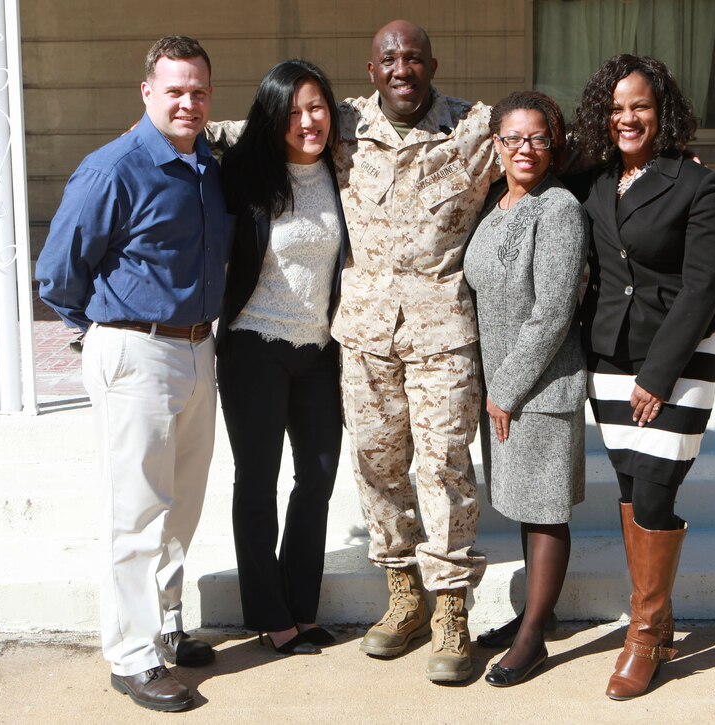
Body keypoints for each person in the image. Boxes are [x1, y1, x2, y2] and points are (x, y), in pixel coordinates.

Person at [207, 18, 501, 682]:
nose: (402, 68)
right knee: (377, 466)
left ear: (433, 63)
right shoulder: (342, 125)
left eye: (415, 58)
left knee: (446, 464)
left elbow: (545, 140)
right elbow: (251, 129)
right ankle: (405, 599)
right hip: (364, 337)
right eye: (389, 59)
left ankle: (451, 608)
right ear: (372, 71)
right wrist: (170, 137)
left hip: (442, 333)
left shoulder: (475, 128)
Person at [36, 36, 235, 713]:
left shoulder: (205, 162)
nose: (188, 100)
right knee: (136, 508)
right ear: (146, 92)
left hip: (198, 348)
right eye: (175, 89)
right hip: (136, 349)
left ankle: (166, 624)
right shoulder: (112, 168)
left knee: (182, 502)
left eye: (199, 90)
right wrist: (97, 331)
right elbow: (59, 270)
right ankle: (131, 655)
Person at [562, 54, 715, 700]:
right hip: (608, 355)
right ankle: (657, 624)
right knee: (632, 489)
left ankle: (644, 634)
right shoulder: (597, 181)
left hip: (675, 360)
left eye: (639, 106)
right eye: (616, 108)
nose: (626, 118)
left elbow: (702, 286)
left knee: (656, 490)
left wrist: (659, 376)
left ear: (662, 112)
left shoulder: (698, 186)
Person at [216, 59, 348, 657]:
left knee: (316, 480)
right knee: (258, 482)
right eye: (293, 111)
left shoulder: (344, 172)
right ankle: (271, 614)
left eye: (316, 106)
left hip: (319, 350)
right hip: (254, 348)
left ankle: (302, 606)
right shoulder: (247, 176)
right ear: (274, 118)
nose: (307, 121)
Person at [463, 90, 587, 688]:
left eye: (538, 137)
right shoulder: (495, 205)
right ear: (496, 145)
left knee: (544, 513)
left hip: (539, 387)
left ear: (553, 143)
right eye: (513, 138)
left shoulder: (558, 208)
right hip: (502, 388)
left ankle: (534, 637)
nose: (525, 149)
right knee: (523, 504)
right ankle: (534, 617)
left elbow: (554, 311)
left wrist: (506, 389)